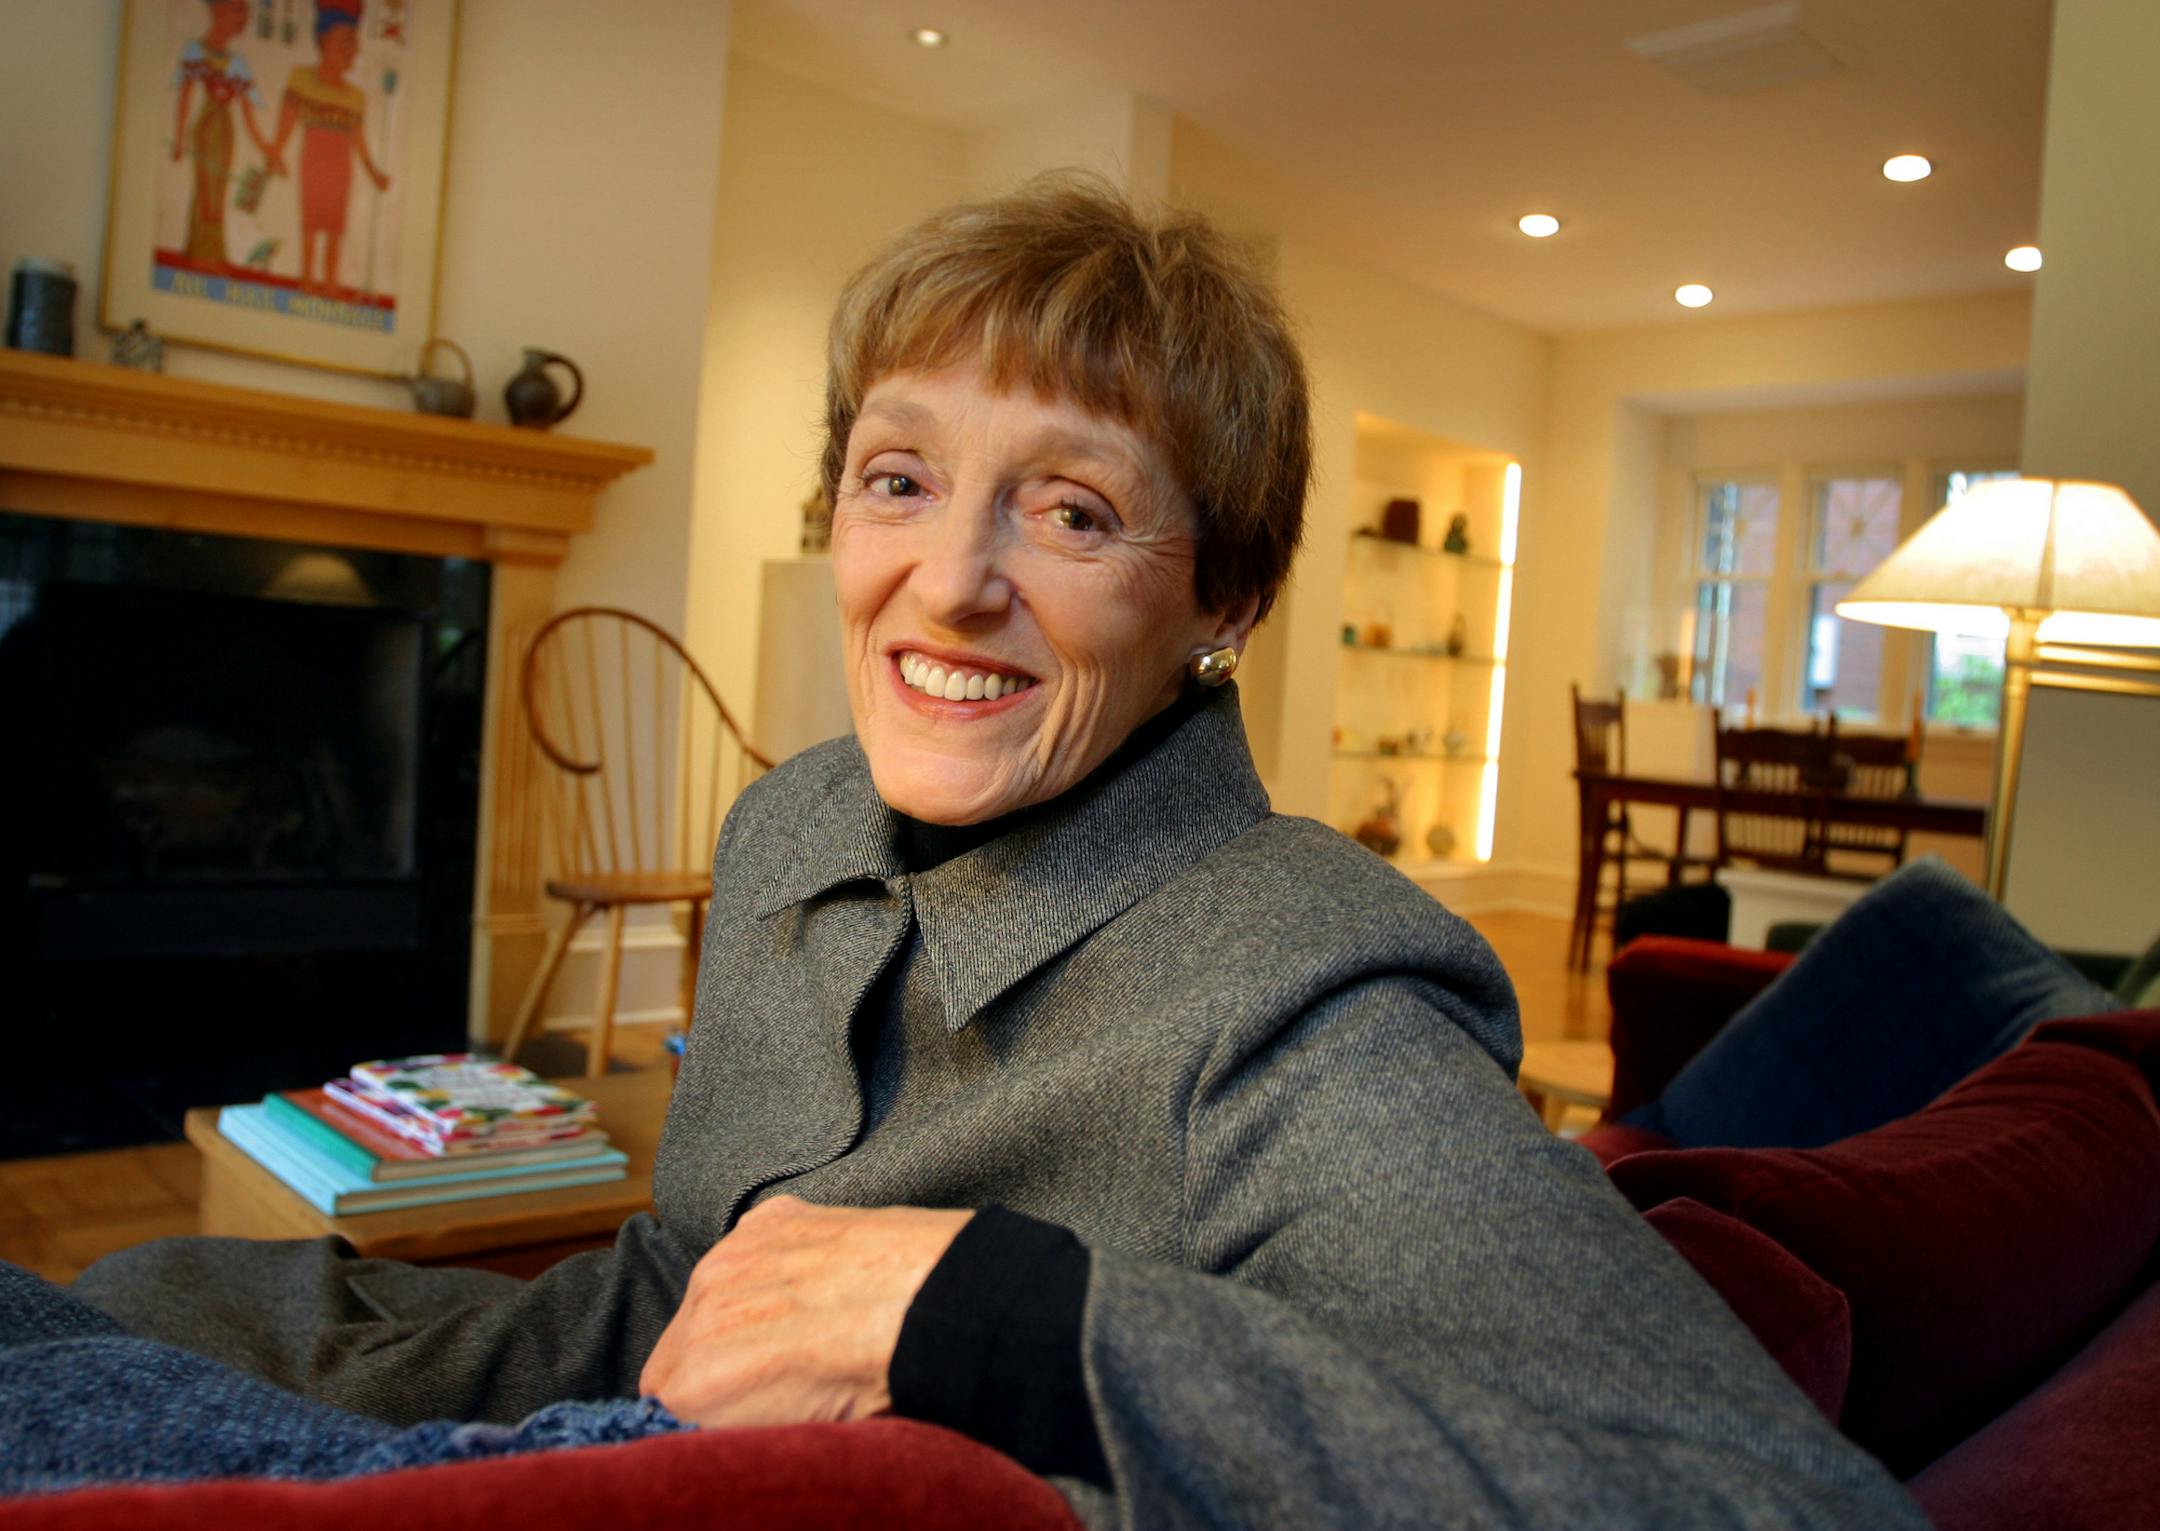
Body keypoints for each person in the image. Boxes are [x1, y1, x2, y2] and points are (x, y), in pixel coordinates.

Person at [55, 178, 1922, 1529]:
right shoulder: (791, 821)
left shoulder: (1305, 996)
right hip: (618, 1408)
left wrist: (987, 1318)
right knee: (125, 1307)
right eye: (901, 474)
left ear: (1228, 598)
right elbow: (688, 1273)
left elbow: (1756, 1498)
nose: (949, 579)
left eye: (1077, 507)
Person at [269, 1, 390, 296]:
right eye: (346, 42)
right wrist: (274, 152)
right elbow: (286, 122)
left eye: (355, 43)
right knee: (311, 224)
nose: (354, 50)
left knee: (335, 227)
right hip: (313, 163)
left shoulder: (355, 97)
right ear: (324, 41)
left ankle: (331, 282)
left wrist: (373, 171)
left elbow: (358, 138)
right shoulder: (301, 79)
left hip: (340, 167)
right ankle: (308, 280)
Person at [170, 0, 279, 270]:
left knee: (219, 193)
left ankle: (212, 253)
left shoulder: (238, 63)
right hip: (206, 128)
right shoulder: (195, 50)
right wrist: (180, 139)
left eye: (246, 11)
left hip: (226, 132)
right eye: (238, 9)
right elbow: (184, 98)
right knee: (206, 192)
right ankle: (199, 253)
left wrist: (269, 152)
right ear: (217, 10)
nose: (244, 17)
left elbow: (250, 119)